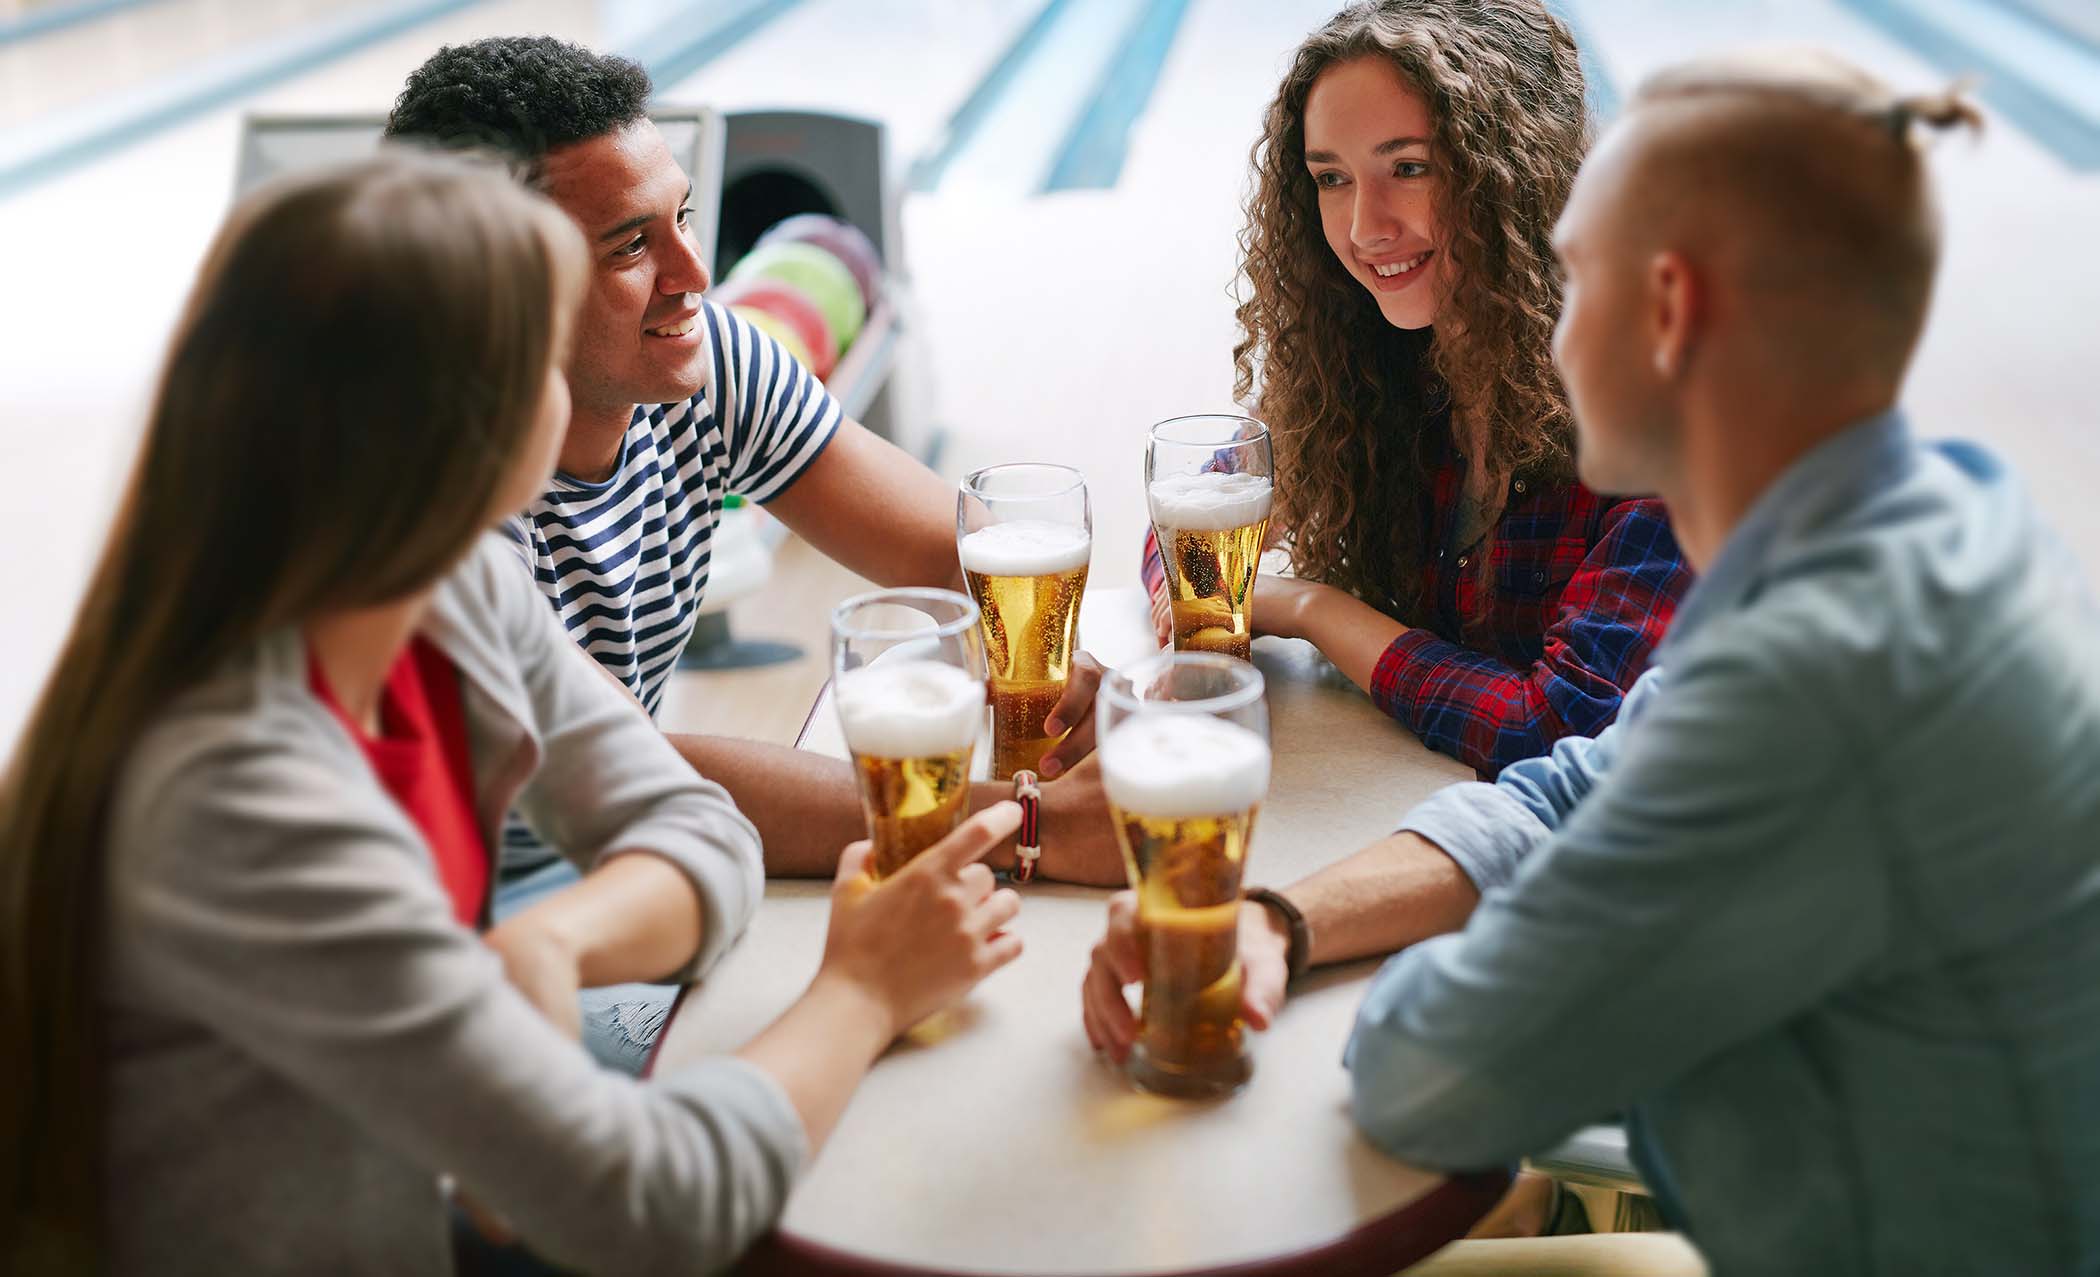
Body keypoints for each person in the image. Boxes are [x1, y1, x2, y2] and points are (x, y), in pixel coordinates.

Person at [1097, 49, 2100, 1271]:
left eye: (1572, 277)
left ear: (1668, 309)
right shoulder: (1933, 527)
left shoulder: (1823, 682)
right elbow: (1576, 786)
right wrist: (1278, 919)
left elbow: (1427, 1075)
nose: (1544, 325)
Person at [0, 152, 1025, 1276]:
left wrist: (553, 937)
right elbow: (647, 1206)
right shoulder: (243, 802)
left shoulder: (444, 591)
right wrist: (864, 989)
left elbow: (698, 823)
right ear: (460, 426)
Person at [383, 36, 1121, 888]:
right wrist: (1025, 824)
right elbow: (637, 773)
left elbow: (953, 553)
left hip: (622, 864)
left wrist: (1056, 674)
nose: (695, 274)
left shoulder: (703, 357)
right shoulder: (417, 500)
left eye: (685, 217)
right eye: (631, 247)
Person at [1144, 0, 1692, 777]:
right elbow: (1185, 528)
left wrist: (1308, 608)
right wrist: (1203, 592)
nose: (1365, 227)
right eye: (1331, 178)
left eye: (1409, 167)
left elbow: (1558, 729)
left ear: (1523, 174)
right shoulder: (1379, 362)